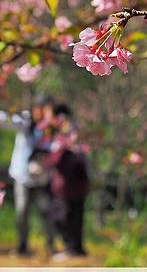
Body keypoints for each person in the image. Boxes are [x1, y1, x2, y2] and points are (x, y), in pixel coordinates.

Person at [0, 93, 56, 256]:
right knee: (22, 212)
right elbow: (5, 120)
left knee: (47, 212)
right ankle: (22, 246)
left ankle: (51, 246)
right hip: (23, 177)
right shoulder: (25, 121)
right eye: (42, 109)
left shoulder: (52, 128)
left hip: (42, 178)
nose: (43, 113)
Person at [46, 103, 90, 258]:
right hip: (75, 185)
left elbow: (56, 160)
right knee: (73, 218)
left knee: (64, 218)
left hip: (67, 186)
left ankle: (72, 249)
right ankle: (76, 248)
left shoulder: (63, 137)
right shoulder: (71, 134)